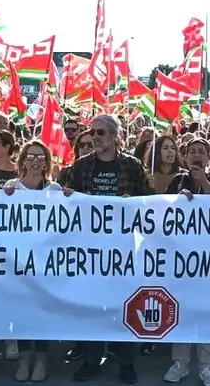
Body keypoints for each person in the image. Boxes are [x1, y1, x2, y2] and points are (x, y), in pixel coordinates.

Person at [63, 114, 150, 384]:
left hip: (122, 249)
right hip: (91, 249)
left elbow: (148, 201)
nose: (95, 138)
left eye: (100, 133)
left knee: (124, 305)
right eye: (92, 132)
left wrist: (132, 202)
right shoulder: (80, 166)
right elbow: (69, 200)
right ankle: (92, 359)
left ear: (114, 136)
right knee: (92, 305)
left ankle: (127, 361)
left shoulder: (132, 165)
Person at [161, 137, 210, 386]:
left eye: (201, 152)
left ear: (208, 157)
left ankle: (208, 366)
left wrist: (203, 184)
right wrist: (178, 201)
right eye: (192, 151)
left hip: (209, 259)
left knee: (206, 312)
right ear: (185, 157)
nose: (197, 155)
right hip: (182, 258)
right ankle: (181, 363)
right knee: (182, 310)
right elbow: (162, 210)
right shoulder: (178, 180)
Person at [2, 140, 63, 382]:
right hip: (18, 263)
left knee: (42, 312)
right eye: (31, 156)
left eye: (40, 157)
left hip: (45, 263)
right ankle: (24, 359)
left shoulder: (56, 190)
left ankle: (41, 360)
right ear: (22, 160)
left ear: (47, 162)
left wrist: (70, 198)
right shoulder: (10, 187)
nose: (36, 161)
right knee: (23, 311)